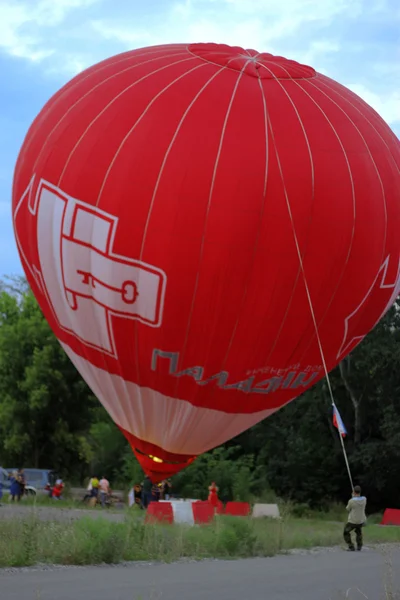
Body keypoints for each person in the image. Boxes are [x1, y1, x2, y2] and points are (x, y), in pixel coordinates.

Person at [343, 485, 367, 551]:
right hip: (361, 520)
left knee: (346, 532)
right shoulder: (364, 499)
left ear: (354, 492)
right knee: (358, 532)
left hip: (352, 521)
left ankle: (351, 546)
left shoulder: (351, 501)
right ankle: (359, 546)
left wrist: (352, 497)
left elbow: (347, 509)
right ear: (360, 492)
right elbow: (359, 500)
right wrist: (354, 497)